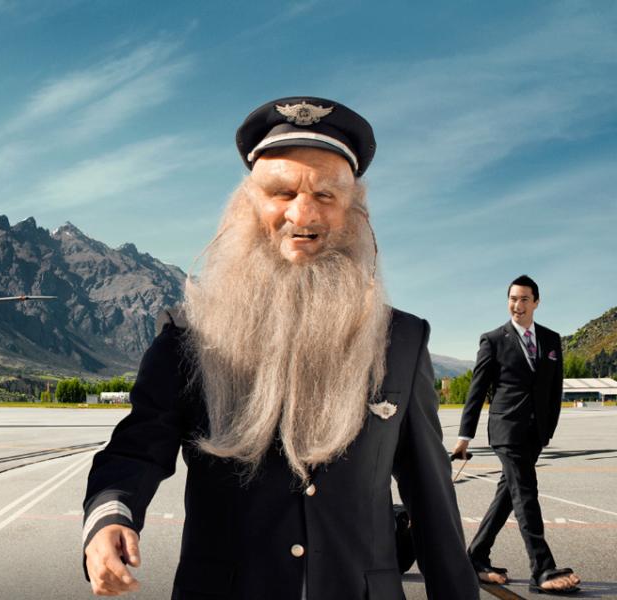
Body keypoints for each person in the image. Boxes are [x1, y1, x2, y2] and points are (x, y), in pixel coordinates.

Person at [79, 97, 476, 599]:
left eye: (326, 195)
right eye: (282, 192)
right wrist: (110, 517)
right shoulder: (190, 335)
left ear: (355, 212)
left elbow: (430, 496)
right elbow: (137, 447)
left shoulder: (403, 340)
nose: (302, 213)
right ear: (248, 205)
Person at [454, 275, 579, 594]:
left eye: (524, 299)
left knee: (509, 494)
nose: (517, 305)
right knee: (525, 493)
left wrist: (547, 429)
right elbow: (477, 389)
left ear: (536, 302)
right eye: (512, 298)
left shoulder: (551, 340)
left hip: (535, 432)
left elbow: (554, 389)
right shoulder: (493, 339)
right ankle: (543, 568)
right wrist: (464, 436)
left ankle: (476, 556)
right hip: (506, 429)